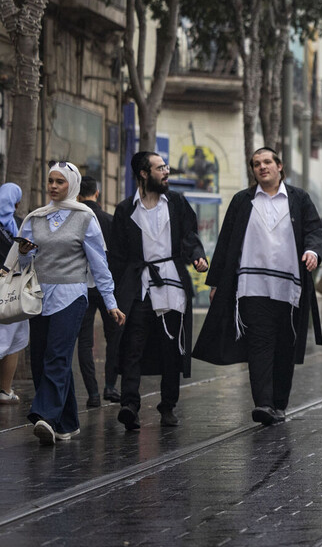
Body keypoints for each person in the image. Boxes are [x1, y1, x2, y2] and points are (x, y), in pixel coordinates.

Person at [193, 147, 322, 426]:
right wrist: (216, 283)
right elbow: (226, 240)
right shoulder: (243, 201)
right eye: (256, 164)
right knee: (259, 344)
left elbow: (315, 231)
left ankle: (279, 403)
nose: (261, 167)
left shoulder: (299, 199)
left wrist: (312, 252)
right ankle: (263, 404)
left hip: (289, 290)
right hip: (251, 287)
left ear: (279, 166)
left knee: (284, 347)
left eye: (267, 162)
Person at [19, 162, 125, 444]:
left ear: (73, 186)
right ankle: (67, 423)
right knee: (41, 360)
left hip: (72, 296)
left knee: (57, 356)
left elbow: (99, 264)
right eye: (50, 181)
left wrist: (110, 301)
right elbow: (22, 263)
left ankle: (44, 416)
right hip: (39, 296)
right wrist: (24, 252)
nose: (53, 186)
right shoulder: (35, 218)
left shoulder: (85, 218)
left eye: (60, 182)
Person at [109, 152, 208, 430]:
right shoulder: (126, 209)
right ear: (143, 173)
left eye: (166, 167)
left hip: (171, 287)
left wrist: (197, 256)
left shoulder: (176, 202)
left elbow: (190, 237)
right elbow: (116, 256)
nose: (166, 172)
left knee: (170, 350)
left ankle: (167, 406)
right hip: (138, 289)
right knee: (132, 348)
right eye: (160, 168)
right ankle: (129, 404)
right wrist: (115, 293)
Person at [75, 175, 122, 408]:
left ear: (77, 194)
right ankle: (110, 386)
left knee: (84, 341)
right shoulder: (109, 220)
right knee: (113, 336)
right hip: (106, 287)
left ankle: (92, 393)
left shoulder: (73, 218)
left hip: (79, 286)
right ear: (97, 193)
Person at [0, 183, 28, 405]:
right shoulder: (21, 225)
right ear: (16, 202)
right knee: (12, 342)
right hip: (12, 292)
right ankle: (4, 389)